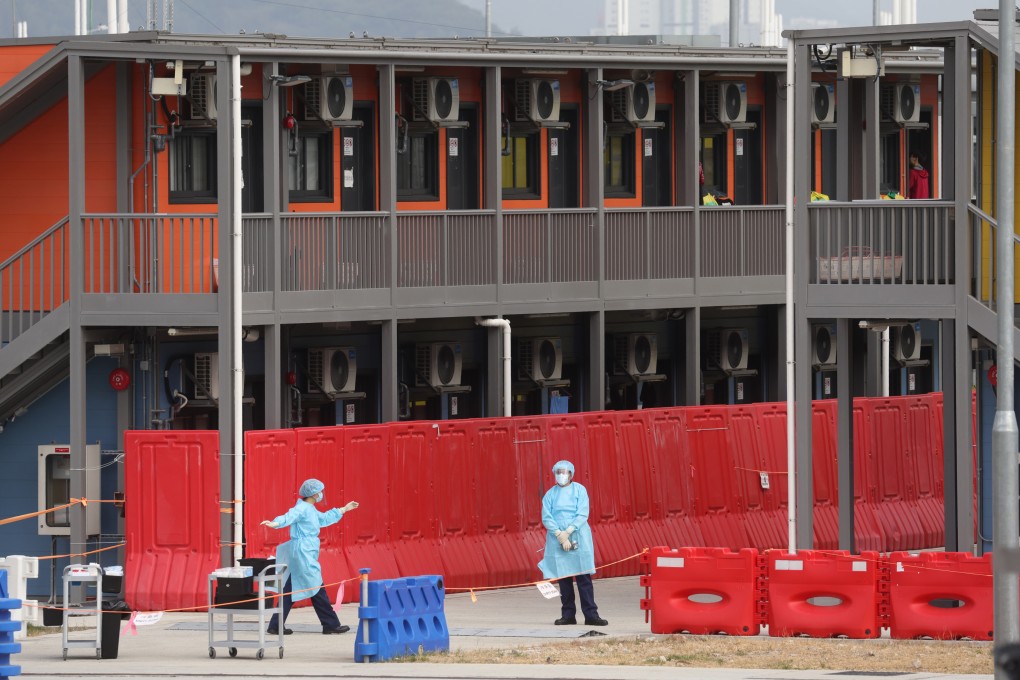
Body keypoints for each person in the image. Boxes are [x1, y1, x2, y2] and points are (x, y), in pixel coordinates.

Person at [260, 478, 358, 635]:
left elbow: (323, 519)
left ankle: (276, 624)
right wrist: (275, 523)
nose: (321, 494)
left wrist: (344, 509)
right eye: (319, 492)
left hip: (305, 550)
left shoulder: (310, 509)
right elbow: (289, 516)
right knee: (315, 584)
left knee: (293, 588)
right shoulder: (303, 508)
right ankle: (330, 624)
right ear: (313, 493)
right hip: (303, 552)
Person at [537, 460, 608, 627]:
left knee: (583, 578)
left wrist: (569, 531)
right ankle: (568, 615)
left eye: (565, 472)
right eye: (558, 472)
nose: (561, 475)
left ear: (571, 474)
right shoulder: (550, 494)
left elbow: (582, 513)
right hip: (558, 539)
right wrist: (559, 534)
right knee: (564, 579)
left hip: (578, 536)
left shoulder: (579, 490)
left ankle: (591, 615)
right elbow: (547, 516)